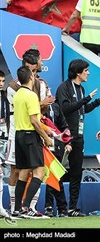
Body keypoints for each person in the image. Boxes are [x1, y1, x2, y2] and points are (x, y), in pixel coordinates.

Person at [55, 59, 100, 217]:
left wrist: (98, 101)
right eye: (86, 70)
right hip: (64, 136)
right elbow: (66, 108)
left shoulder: (81, 89)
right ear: (78, 72)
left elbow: (82, 109)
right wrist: (86, 99)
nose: (88, 73)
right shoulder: (64, 87)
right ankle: (58, 207)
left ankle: (72, 208)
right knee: (57, 172)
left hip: (78, 137)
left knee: (76, 172)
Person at [6, 49, 54, 216]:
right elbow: (34, 119)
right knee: (38, 171)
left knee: (24, 171)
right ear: (30, 74)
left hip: (20, 133)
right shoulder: (25, 93)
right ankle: (25, 206)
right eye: (32, 71)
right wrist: (47, 136)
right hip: (29, 134)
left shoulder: (19, 93)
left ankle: (19, 208)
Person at [43, 100, 72, 218]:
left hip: (57, 146)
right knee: (50, 177)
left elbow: (64, 126)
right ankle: (50, 207)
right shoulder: (37, 107)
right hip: (43, 147)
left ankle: (61, 208)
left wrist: (68, 142)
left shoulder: (55, 107)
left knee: (57, 177)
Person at [0, 70, 10, 218]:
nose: (1, 84)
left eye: (2, 81)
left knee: (1, 174)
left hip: (2, 138)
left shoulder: (4, 97)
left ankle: (1, 207)